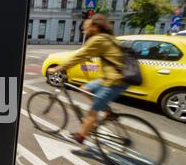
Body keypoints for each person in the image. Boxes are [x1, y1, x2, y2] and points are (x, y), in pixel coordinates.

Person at [48, 14, 128, 144]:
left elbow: (79, 56)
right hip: (110, 78)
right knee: (85, 88)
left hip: (115, 81)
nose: (85, 30)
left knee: (93, 111)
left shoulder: (98, 39)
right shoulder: (108, 38)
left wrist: (58, 68)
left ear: (95, 27)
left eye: (87, 27)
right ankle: (107, 112)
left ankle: (81, 136)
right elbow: (101, 54)